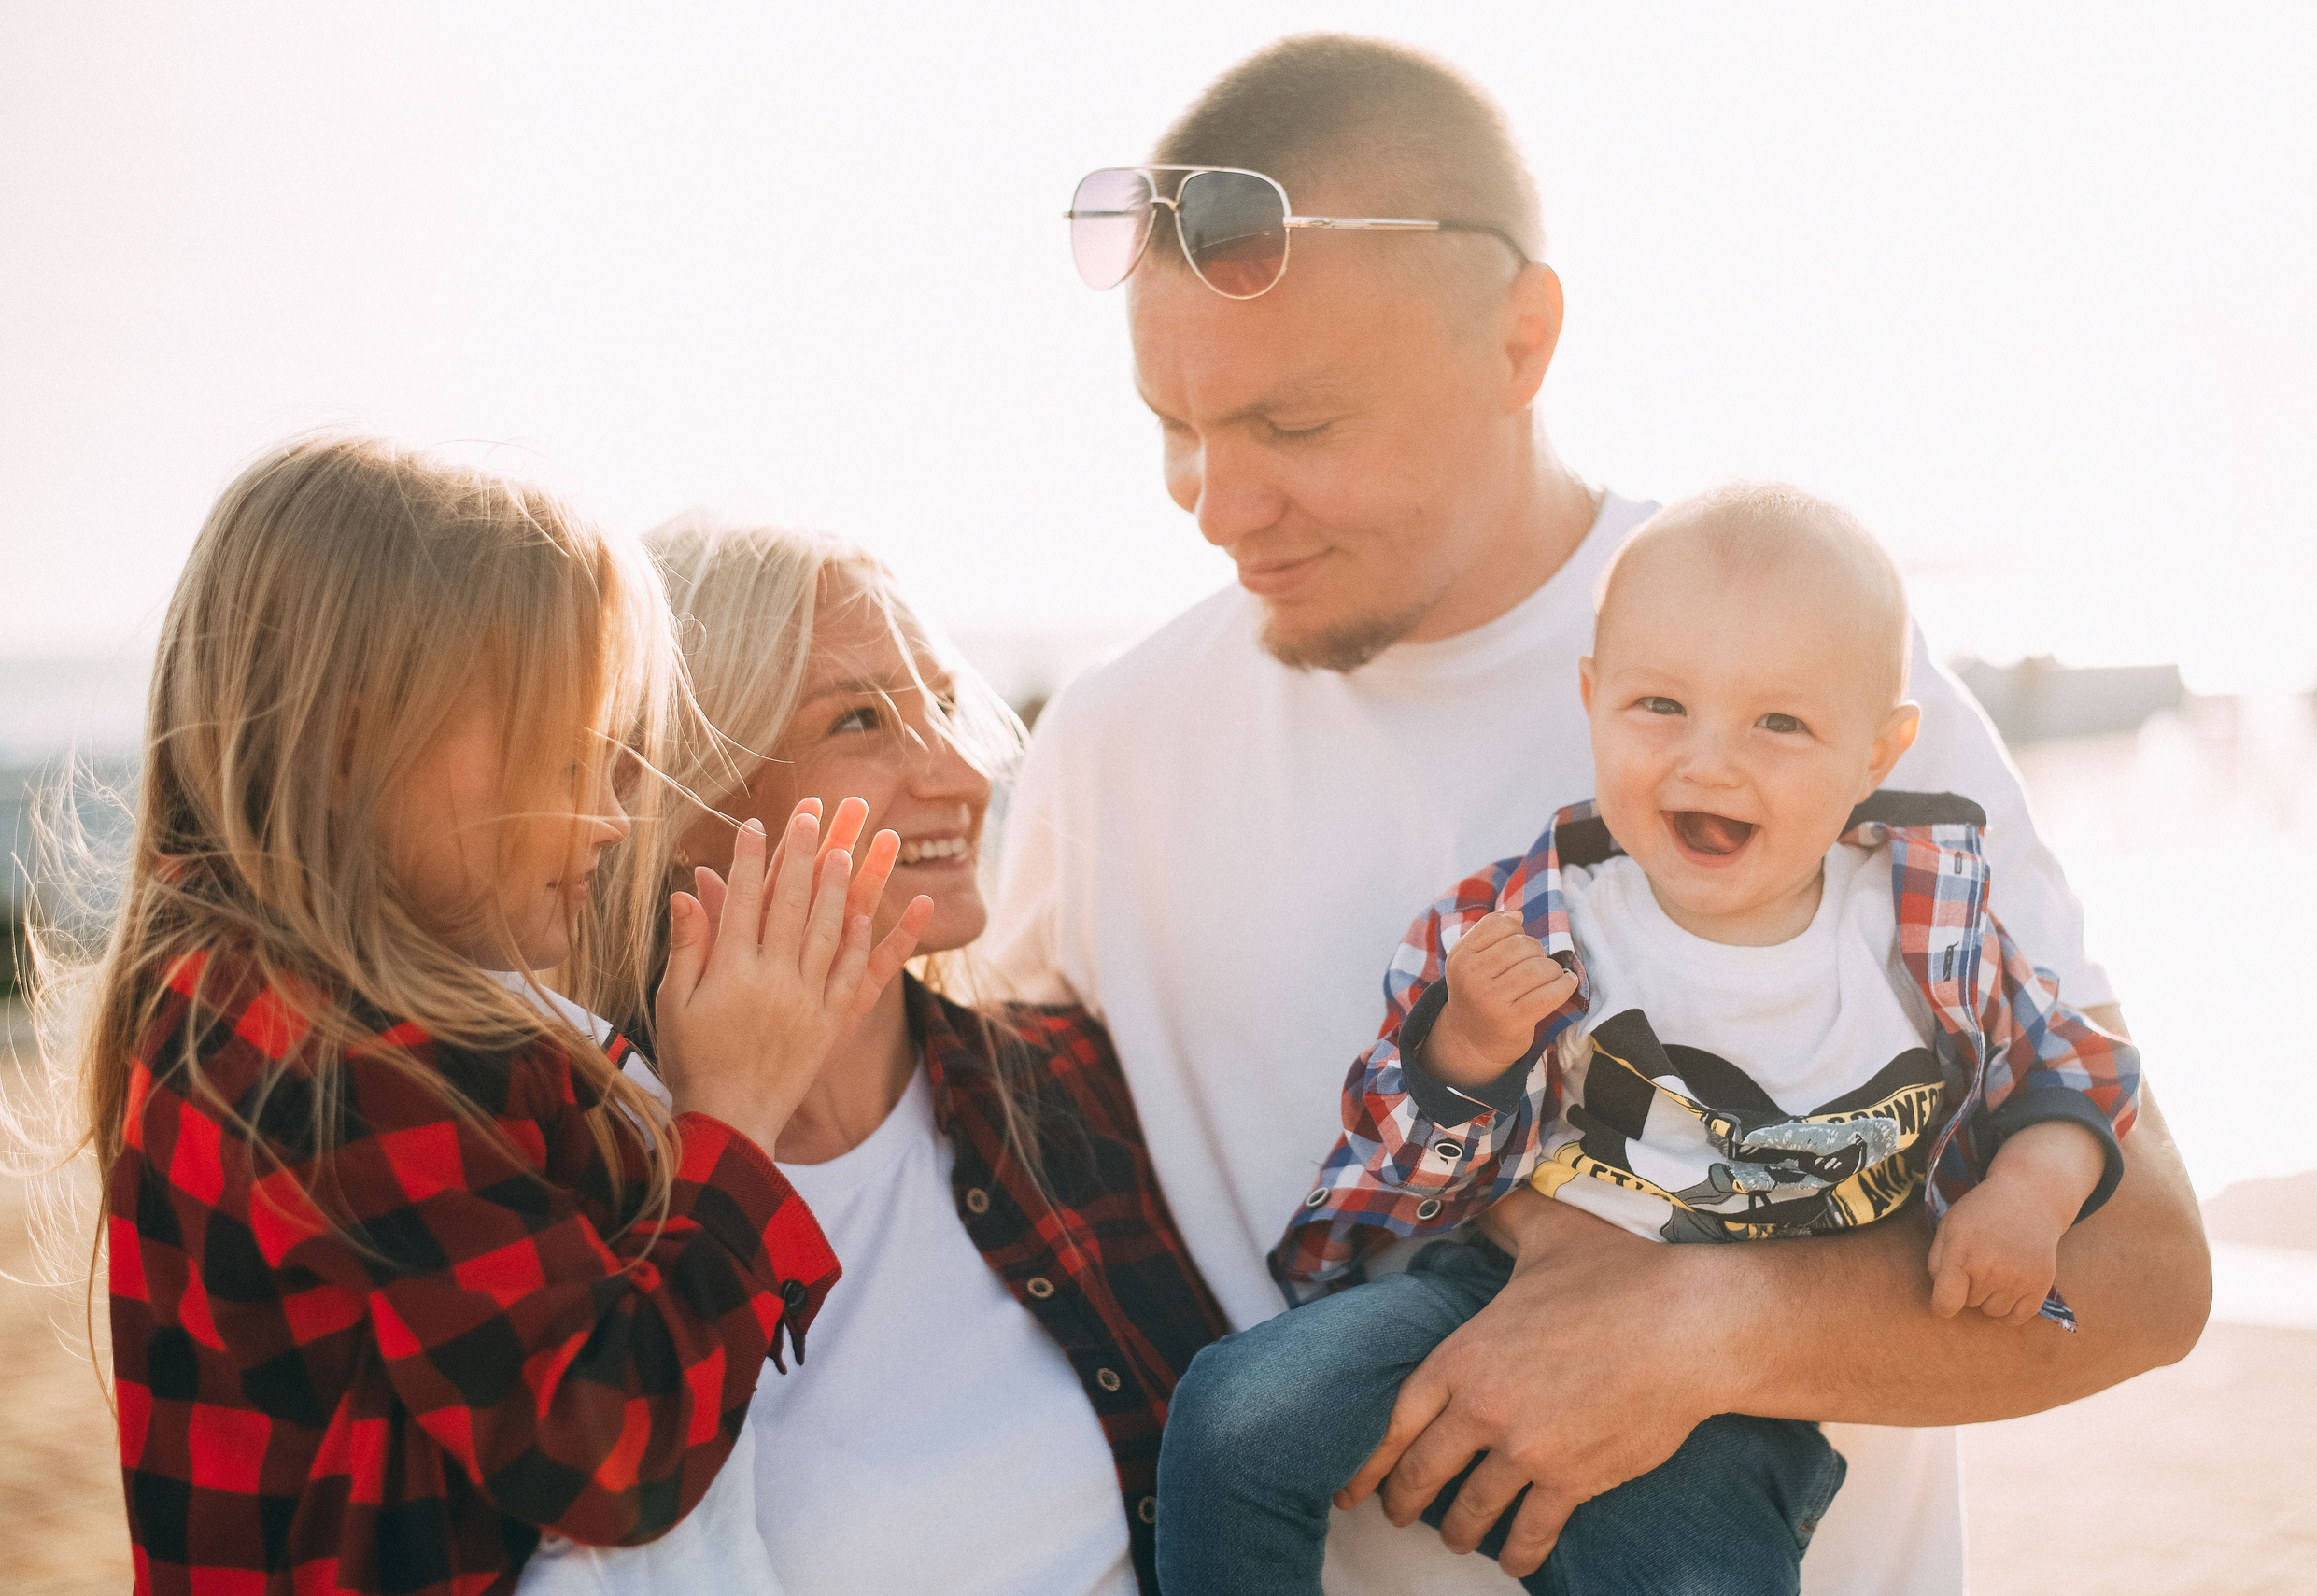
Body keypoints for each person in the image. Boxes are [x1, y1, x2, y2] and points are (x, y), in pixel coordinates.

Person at [991, 35, 2210, 1596]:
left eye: (1293, 429)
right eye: (1177, 427)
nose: (1221, 507)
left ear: (1522, 339)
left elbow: (2147, 1270)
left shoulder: (1805, 676)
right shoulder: (1109, 750)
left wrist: (1705, 1323)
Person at [1156, 486, 2142, 1593]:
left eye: (1779, 722)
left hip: (1736, 1388)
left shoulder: (1926, 927)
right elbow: (1408, 1149)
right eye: (1659, 704)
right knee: (1233, 1411)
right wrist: (1468, 1048)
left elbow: (2072, 1067)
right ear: (1590, 698)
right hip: (1491, 1296)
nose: (1707, 762)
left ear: (1878, 751)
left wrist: (2029, 1193)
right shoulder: (1539, 914)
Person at [82, 437, 919, 1595]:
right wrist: (733, 1114)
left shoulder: (240, 1003)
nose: (612, 818)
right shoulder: (332, 1064)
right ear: (350, 748)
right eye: (569, 753)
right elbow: (614, 1450)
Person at [517, 517, 1225, 1596]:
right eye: (860, 720)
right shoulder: (564, 1173)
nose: (957, 772)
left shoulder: (1065, 1085)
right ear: (688, 805)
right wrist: (732, 1129)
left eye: (941, 706)